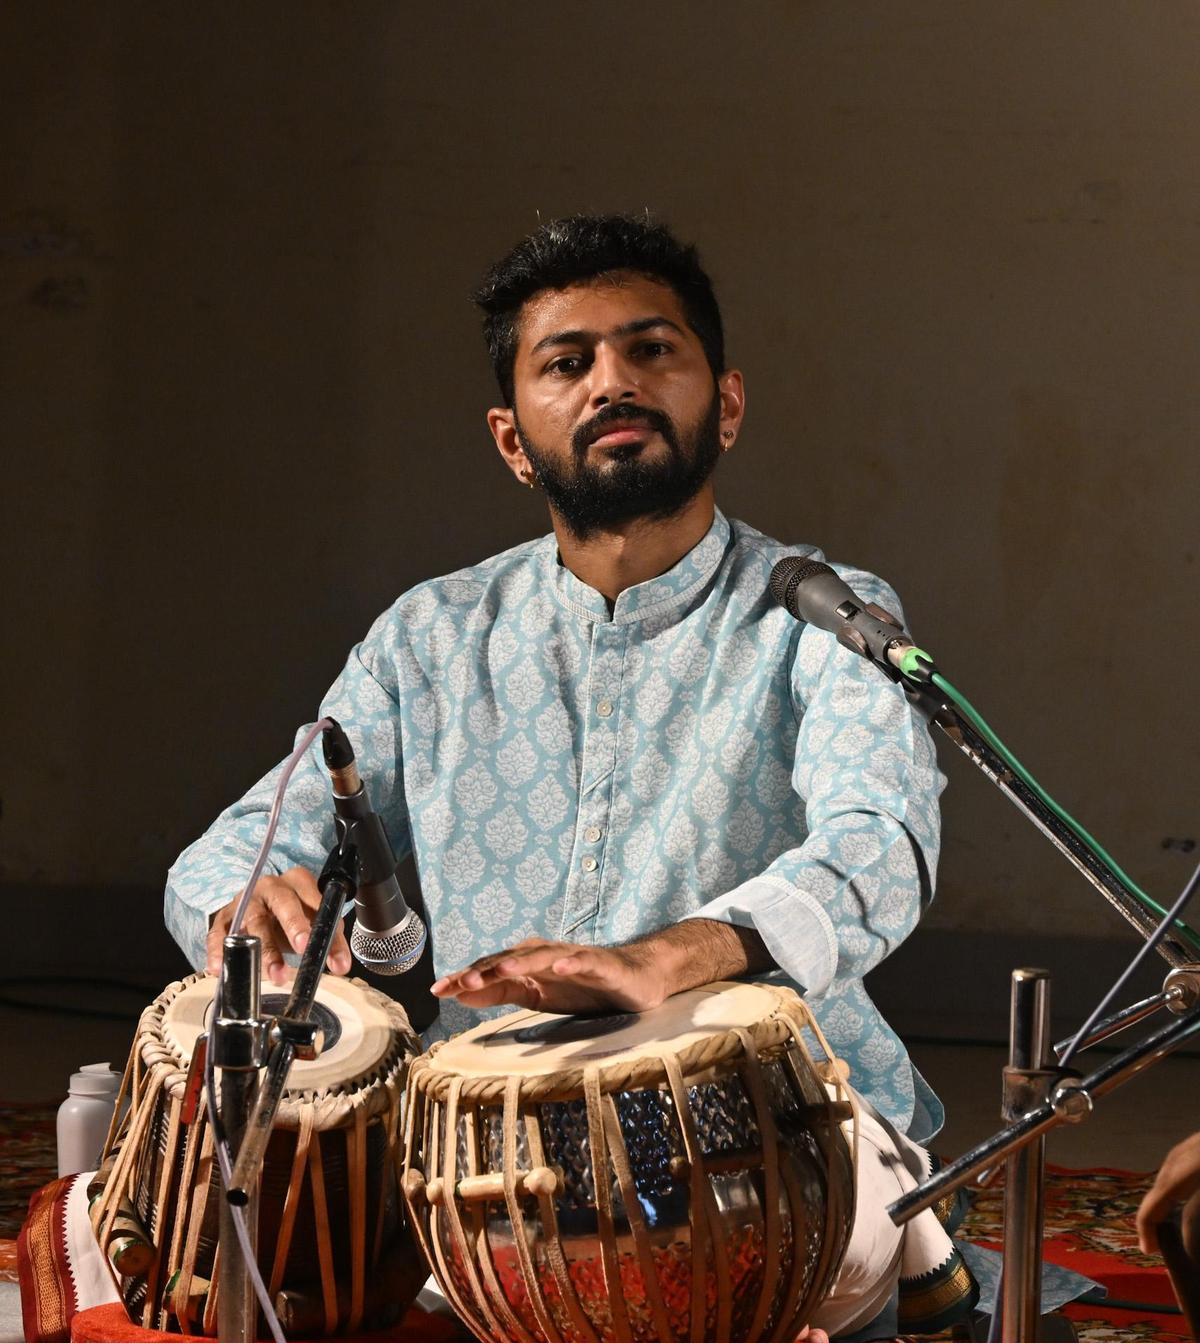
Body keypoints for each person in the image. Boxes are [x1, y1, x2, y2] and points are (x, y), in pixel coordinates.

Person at [165, 212, 946, 1142]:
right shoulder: (435, 636)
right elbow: (250, 838)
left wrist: (670, 958)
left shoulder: (818, 610)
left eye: (650, 349)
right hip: (485, 1147)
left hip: (777, 1131)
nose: (612, 382)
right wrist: (239, 899)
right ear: (510, 441)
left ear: (728, 406)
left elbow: (882, 844)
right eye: (567, 363)